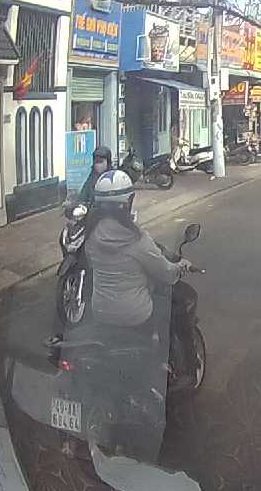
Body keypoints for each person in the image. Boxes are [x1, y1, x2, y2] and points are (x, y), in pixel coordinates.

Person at [82, 170, 191, 457]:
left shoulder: (90, 236)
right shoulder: (136, 239)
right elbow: (165, 274)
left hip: (101, 313)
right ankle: (161, 371)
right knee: (163, 318)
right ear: (127, 202)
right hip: (134, 316)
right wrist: (180, 267)